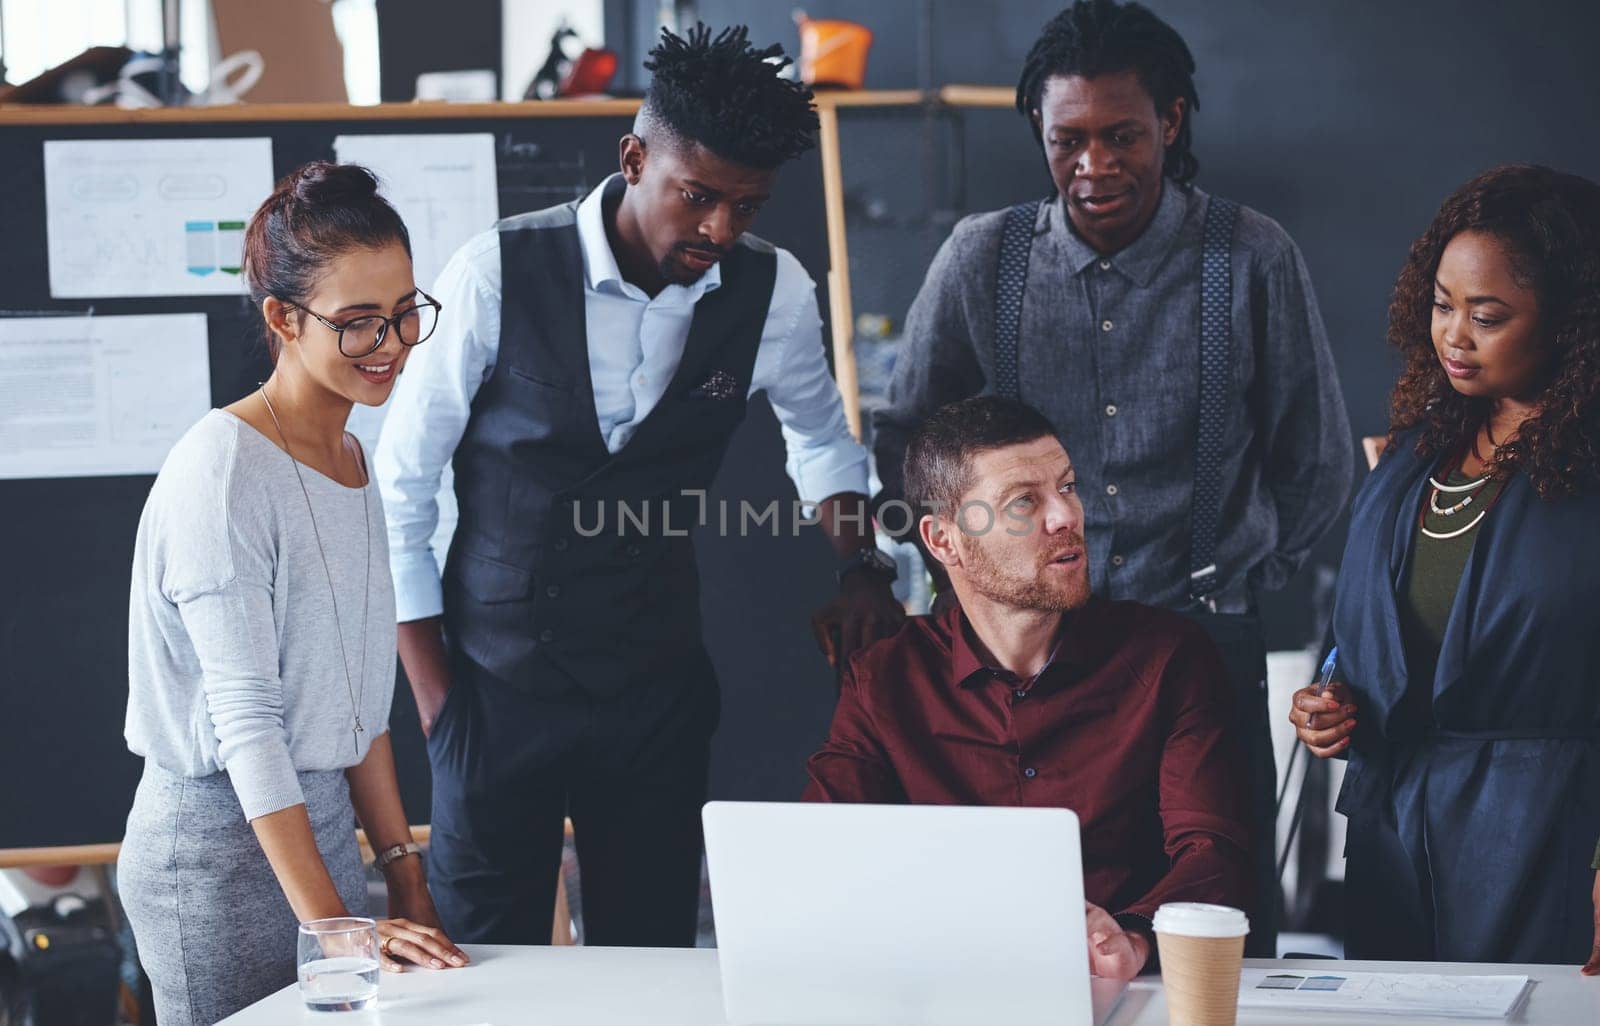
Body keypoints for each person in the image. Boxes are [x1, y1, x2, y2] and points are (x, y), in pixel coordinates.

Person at [376, 24, 904, 948]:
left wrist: (863, 563)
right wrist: (438, 703)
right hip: (494, 691)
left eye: (747, 206)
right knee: (484, 966)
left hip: (654, 687)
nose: (719, 230)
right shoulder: (497, 272)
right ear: (632, 159)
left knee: (651, 957)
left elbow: (820, 439)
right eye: (697, 197)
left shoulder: (771, 290)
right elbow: (401, 488)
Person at [869, 0, 1351, 952]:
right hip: (1018, 672)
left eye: (1123, 135)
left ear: (1172, 122)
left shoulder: (1252, 257)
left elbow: (1319, 462)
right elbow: (904, 440)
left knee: (1212, 939)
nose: (1094, 166)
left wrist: (1243, 574)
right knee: (1004, 940)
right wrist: (965, 583)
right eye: (1068, 140)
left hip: (1203, 645)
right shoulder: (980, 258)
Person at [118, 162, 466, 1026]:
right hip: (215, 856)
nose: (389, 344)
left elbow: (360, 703)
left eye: (402, 314)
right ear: (282, 318)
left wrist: (403, 876)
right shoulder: (224, 467)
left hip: (325, 846)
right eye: (356, 323)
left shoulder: (353, 461)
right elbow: (248, 726)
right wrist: (332, 932)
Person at [806, 396, 1252, 979]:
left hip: (1128, 995)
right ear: (945, 541)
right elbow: (825, 859)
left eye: (1066, 487)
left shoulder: (1168, 657)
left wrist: (1134, 936)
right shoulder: (883, 681)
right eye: (1024, 502)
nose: (1065, 516)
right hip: (946, 992)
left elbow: (1214, 852)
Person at [1288, 164, 1600, 967]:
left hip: (1547, 838)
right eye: (1441, 305)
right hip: (1393, 838)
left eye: (1486, 316)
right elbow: (1373, 633)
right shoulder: (1413, 451)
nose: (1453, 335)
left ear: (1569, 322)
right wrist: (1334, 701)